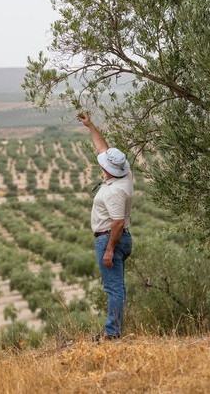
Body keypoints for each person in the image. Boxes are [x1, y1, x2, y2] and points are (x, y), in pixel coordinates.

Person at [77, 113, 133, 340]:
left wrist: (109, 249)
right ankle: (115, 329)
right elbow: (104, 149)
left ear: (109, 169)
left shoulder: (115, 191)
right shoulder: (125, 175)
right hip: (117, 238)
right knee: (117, 286)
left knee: (113, 289)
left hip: (111, 239)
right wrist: (90, 125)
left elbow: (118, 222)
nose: (102, 161)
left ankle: (112, 333)